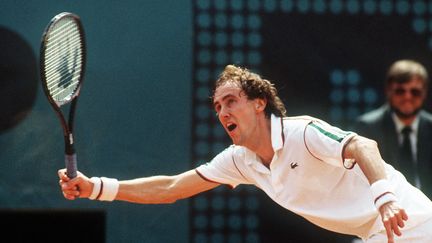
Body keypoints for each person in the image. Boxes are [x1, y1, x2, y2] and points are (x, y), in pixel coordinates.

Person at [59, 64, 432, 243]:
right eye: (217, 106)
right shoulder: (239, 161)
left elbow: (364, 146)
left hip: (410, 223)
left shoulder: (302, 131)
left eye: (231, 101)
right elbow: (172, 187)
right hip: (375, 234)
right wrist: (95, 188)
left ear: (259, 104)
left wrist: (384, 199)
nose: (222, 112)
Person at [354, 59, 432, 199]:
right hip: (386, 208)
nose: (407, 97)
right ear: (388, 91)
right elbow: (361, 181)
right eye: (400, 91)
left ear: (424, 93)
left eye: (415, 92)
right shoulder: (369, 127)